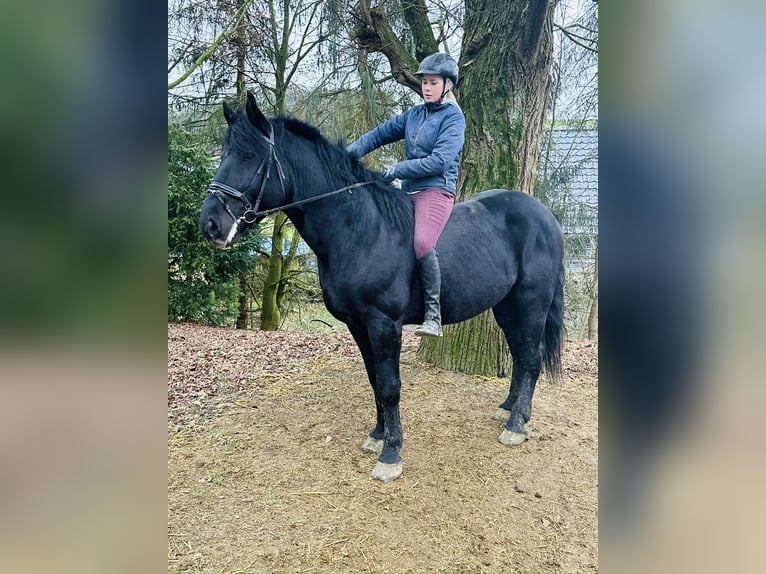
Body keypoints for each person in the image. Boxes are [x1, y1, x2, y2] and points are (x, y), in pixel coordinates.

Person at [346, 53, 465, 337]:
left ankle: (433, 315)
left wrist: (398, 168)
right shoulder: (414, 115)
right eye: (424, 82)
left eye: (433, 82)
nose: (426, 87)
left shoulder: (454, 119)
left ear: (448, 85)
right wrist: (344, 157)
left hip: (435, 190)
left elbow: (439, 161)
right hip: (407, 192)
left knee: (422, 243)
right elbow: (378, 135)